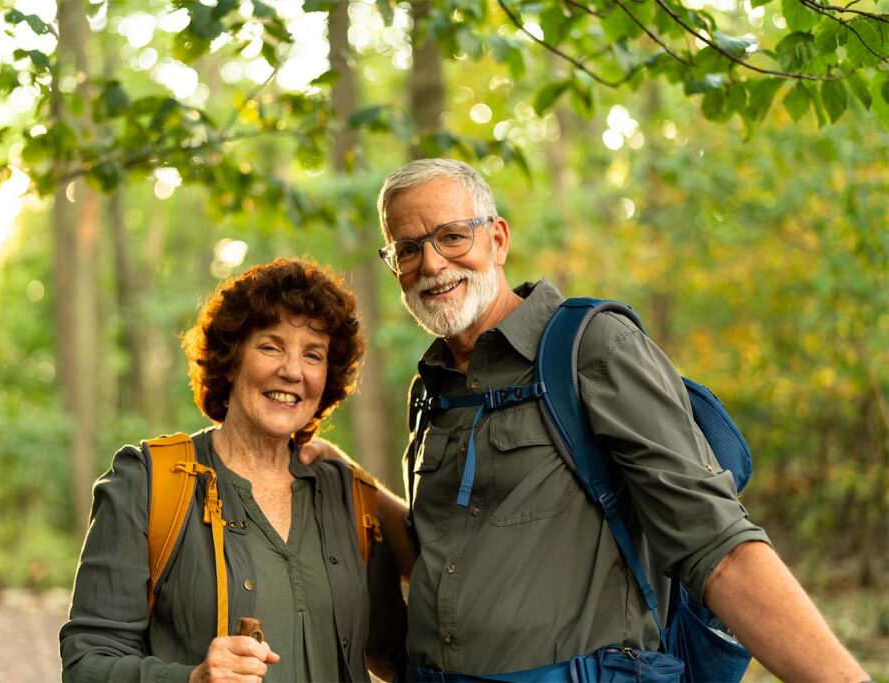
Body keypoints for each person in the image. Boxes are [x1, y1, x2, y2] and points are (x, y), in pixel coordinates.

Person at [310, 158, 870, 682]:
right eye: (407, 249)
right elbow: (440, 555)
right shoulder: (431, 391)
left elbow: (716, 545)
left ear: (498, 239)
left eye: (452, 236)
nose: (431, 264)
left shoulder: (590, 347)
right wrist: (347, 477)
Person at [60, 258, 405, 682]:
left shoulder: (348, 497)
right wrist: (193, 679)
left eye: (312, 355)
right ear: (231, 358)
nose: (293, 371)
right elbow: (87, 664)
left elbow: (398, 656)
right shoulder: (149, 483)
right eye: (271, 346)